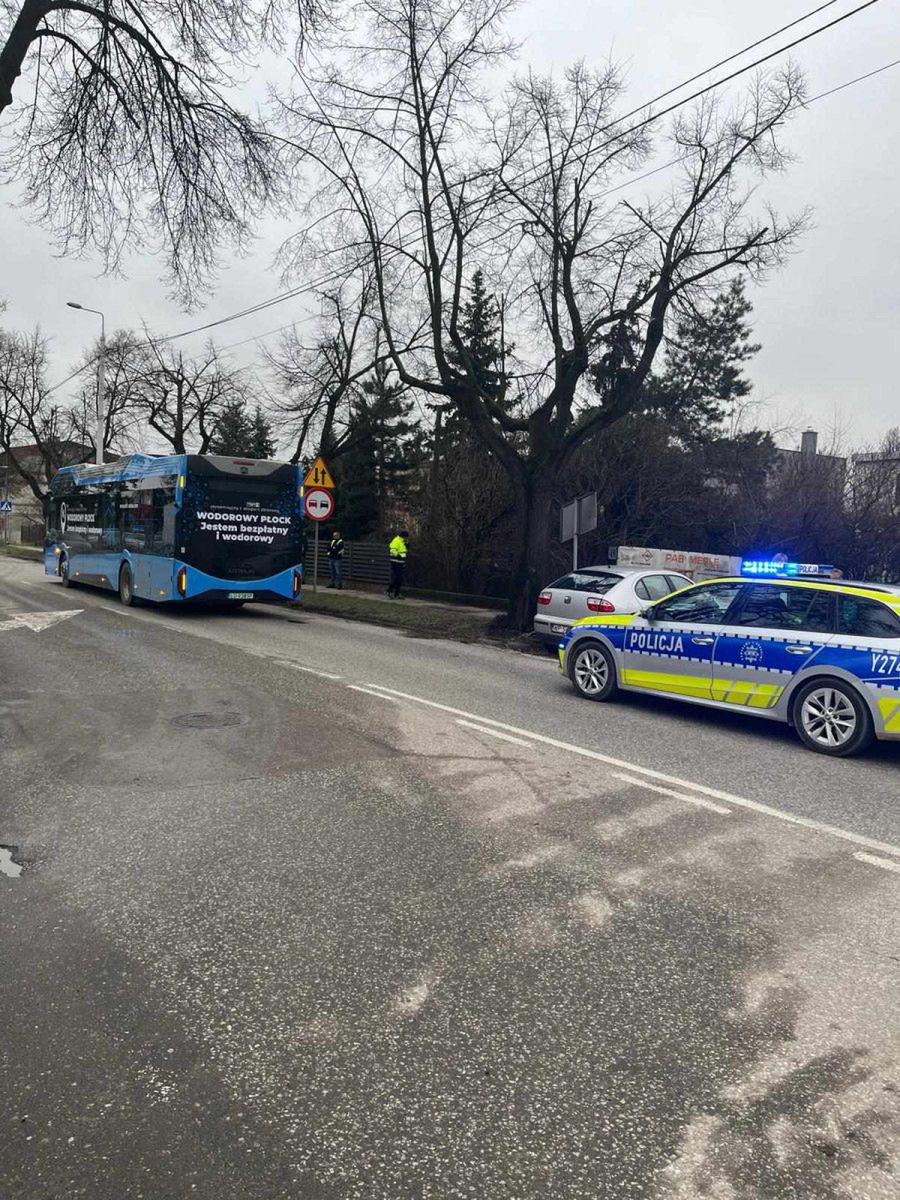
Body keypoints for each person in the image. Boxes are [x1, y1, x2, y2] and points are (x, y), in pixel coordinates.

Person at [387, 529, 408, 599]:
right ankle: (389, 590)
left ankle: (397, 593)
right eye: (406, 537)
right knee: (398, 577)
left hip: (401, 562)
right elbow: (392, 550)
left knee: (400, 578)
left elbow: (404, 551)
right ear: (404, 536)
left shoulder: (402, 541)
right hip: (396, 561)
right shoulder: (396, 540)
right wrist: (398, 556)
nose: (407, 538)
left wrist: (407, 545)